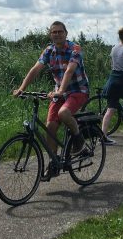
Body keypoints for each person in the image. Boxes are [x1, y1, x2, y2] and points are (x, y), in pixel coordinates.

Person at [13, 21, 89, 158]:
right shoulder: (49, 50)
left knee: (64, 113)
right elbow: (35, 69)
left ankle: (79, 141)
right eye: (54, 32)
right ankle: (53, 161)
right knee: (50, 127)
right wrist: (21, 88)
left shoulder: (75, 48)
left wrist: (60, 91)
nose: (57, 34)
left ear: (66, 33)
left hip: (78, 90)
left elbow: (69, 71)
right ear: (50, 35)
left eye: (60, 31)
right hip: (59, 92)